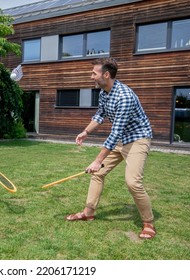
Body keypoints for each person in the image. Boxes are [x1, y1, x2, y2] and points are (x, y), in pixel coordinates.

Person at [66, 58, 156, 239]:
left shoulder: (124, 97)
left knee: (133, 182)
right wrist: (86, 132)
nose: (91, 76)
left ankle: (148, 223)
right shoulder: (104, 92)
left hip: (137, 139)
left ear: (106, 75)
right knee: (97, 174)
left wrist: (98, 160)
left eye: (94, 73)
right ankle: (88, 212)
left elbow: (115, 133)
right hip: (121, 138)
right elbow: (100, 114)